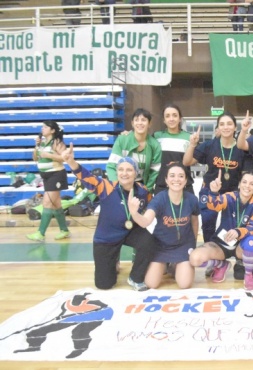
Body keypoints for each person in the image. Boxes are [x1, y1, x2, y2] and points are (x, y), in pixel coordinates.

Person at [62, 144, 156, 291]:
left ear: (136, 173)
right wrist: (71, 162)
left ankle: (135, 278)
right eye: (121, 170)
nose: (125, 173)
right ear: (117, 172)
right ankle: (113, 261)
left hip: (129, 232)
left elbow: (153, 206)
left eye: (129, 170)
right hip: (106, 238)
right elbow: (88, 177)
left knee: (149, 240)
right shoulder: (106, 186)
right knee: (104, 285)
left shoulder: (143, 191)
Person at [128, 162, 199, 289]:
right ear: (166, 180)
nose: (176, 179)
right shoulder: (159, 199)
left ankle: (175, 265)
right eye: (172, 176)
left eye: (181, 176)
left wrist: (193, 244)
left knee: (184, 284)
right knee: (151, 284)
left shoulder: (192, 199)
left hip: (183, 245)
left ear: (186, 180)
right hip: (161, 245)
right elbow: (145, 222)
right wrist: (134, 213)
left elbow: (194, 221)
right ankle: (165, 264)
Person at [188, 170, 253, 290]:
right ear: (239, 184)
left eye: (252, 184)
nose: (247, 186)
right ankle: (221, 265)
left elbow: (252, 228)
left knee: (252, 241)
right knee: (195, 258)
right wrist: (213, 192)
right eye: (244, 182)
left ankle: (248, 275)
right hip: (222, 244)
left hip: (240, 246)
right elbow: (214, 205)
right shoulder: (230, 197)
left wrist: (238, 232)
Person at [183, 111, 245, 242]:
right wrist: (192, 145)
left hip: (232, 192)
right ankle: (210, 255)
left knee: (230, 227)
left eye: (229, 124)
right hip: (210, 191)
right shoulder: (210, 145)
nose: (226, 127)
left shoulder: (241, 148)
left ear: (235, 127)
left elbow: (246, 172)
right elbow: (187, 162)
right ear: (218, 128)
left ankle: (226, 254)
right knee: (208, 226)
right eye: (222, 124)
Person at [26, 120, 70, 242]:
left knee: (47, 203)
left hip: (56, 175)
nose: (42, 129)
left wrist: (49, 155)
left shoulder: (57, 142)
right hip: (46, 176)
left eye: (45, 127)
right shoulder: (42, 142)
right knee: (56, 204)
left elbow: (64, 158)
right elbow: (35, 158)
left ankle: (41, 233)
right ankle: (64, 230)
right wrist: (36, 146)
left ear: (53, 130)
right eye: (42, 127)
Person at [107, 108, 161, 193]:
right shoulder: (122, 140)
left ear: (149, 123)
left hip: (142, 187)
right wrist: (116, 188)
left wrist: (146, 190)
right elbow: (111, 167)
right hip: (121, 185)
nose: (140, 123)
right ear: (132, 123)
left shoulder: (155, 145)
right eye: (136, 120)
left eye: (143, 120)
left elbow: (154, 171)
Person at [153, 104, 194, 195]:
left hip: (184, 187)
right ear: (164, 120)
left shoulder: (189, 137)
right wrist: (129, 134)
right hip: (162, 187)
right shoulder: (156, 137)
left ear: (180, 118)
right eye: (167, 116)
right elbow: (141, 140)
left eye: (175, 115)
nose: (171, 119)